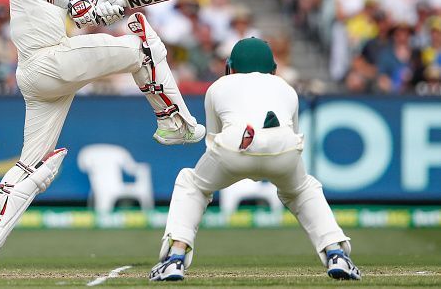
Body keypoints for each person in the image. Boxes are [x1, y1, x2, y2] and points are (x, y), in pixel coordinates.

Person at [0, 0, 205, 277]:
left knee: (37, 165)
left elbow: (83, 12)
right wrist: (77, 0)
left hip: (50, 75)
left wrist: (103, 7)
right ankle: (173, 121)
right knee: (143, 45)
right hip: (45, 61)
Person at [149, 38, 361, 282]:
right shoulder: (286, 88)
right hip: (284, 146)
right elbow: (293, 136)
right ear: (272, 68)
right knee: (303, 189)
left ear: (232, 67)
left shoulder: (219, 86)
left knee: (193, 183)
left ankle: (175, 258)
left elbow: (213, 139)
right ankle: (336, 253)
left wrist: (241, 157)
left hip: (236, 143)